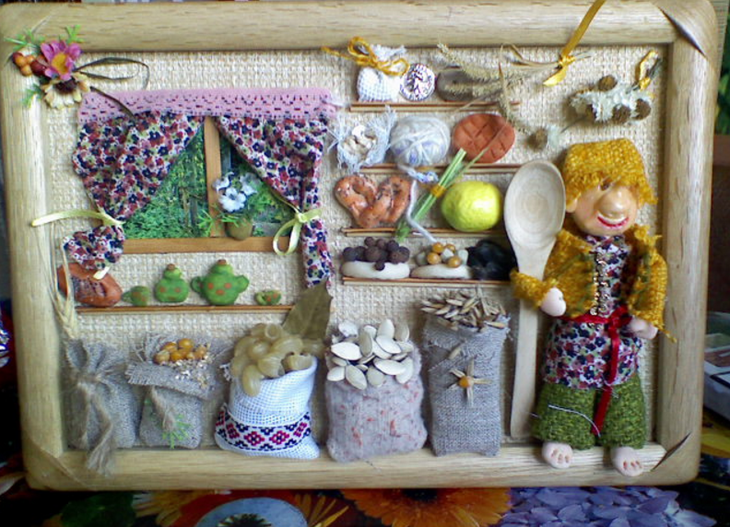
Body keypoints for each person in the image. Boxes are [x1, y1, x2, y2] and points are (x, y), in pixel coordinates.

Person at [511, 138, 667, 476]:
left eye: (628, 188)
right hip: (575, 338)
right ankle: (562, 433)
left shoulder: (639, 249)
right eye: (603, 186)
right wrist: (545, 294)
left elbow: (652, 286)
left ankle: (622, 439)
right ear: (571, 198)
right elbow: (525, 277)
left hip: (621, 337)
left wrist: (648, 316)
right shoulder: (563, 244)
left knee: (624, 389)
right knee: (568, 386)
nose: (616, 203)